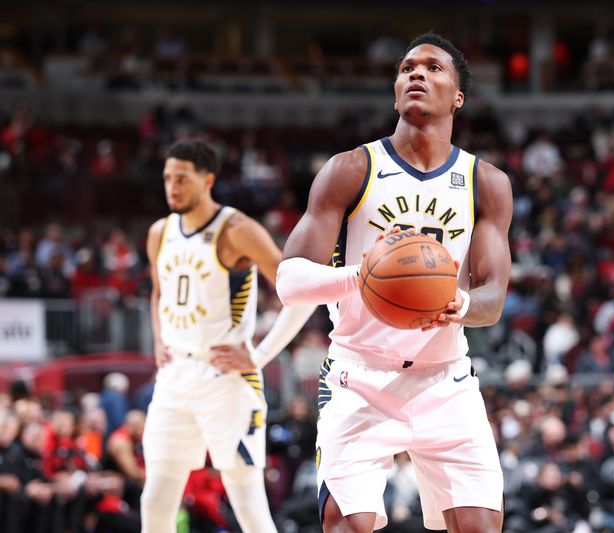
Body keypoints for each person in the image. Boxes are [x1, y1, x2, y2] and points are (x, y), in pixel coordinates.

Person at [277, 32, 512, 532]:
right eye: (407, 69)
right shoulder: (351, 168)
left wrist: (462, 303)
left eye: (433, 68)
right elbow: (289, 280)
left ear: (458, 96)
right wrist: (359, 277)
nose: (416, 75)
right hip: (359, 375)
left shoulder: (485, 182)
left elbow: (493, 300)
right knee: (347, 525)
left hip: (445, 378)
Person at [140, 139, 315, 533]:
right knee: (155, 498)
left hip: (226, 380)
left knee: (248, 506)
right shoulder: (158, 233)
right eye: (168, 177)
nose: (172, 186)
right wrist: (158, 340)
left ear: (208, 180)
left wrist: (260, 354)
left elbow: (301, 294)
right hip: (174, 379)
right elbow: (158, 290)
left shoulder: (236, 230)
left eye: (182, 178)